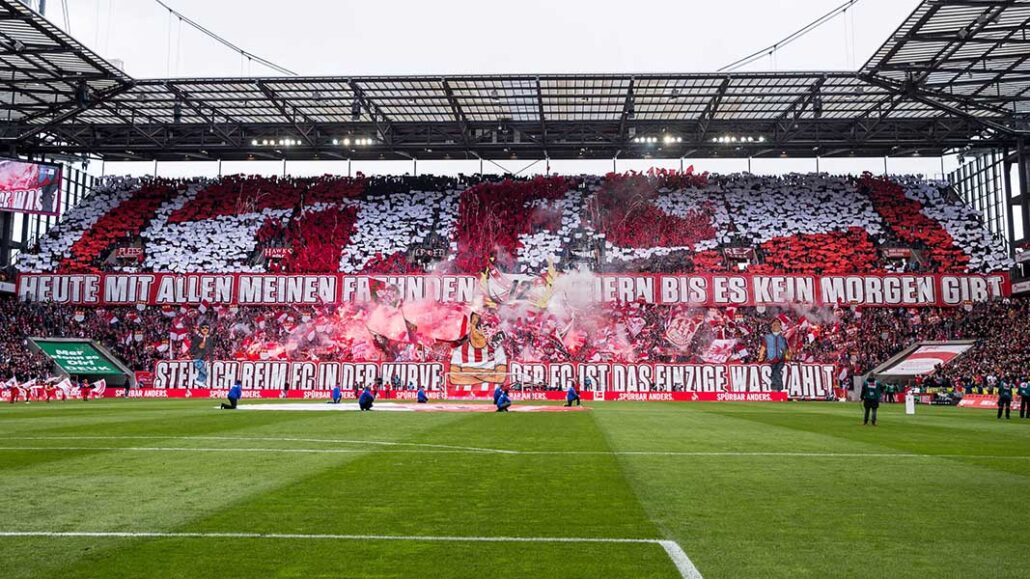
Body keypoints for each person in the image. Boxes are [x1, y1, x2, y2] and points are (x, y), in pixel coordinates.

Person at [759, 320, 790, 392]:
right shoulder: (767, 337)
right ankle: (777, 389)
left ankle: (777, 388)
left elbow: (785, 348)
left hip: (780, 358)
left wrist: (787, 356)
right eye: (774, 325)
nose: (776, 326)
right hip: (771, 359)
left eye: (778, 325)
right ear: (771, 327)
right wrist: (760, 357)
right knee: (773, 373)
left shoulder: (783, 338)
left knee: (776, 372)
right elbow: (763, 348)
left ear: (780, 327)